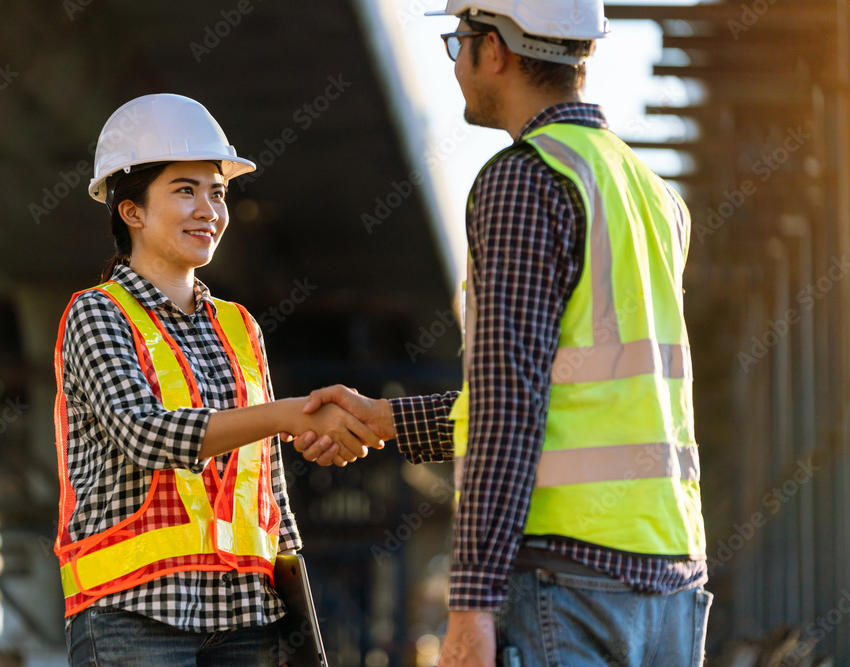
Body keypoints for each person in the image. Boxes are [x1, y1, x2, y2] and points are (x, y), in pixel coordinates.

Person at [295, 1, 712, 665]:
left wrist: (470, 606)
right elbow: (575, 395)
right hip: (670, 581)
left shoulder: (526, 180)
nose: (457, 63)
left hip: (568, 578)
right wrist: (385, 420)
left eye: (458, 40)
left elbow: (510, 403)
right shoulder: (652, 194)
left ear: (495, 50)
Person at [52, 93, 380, 666]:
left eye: (218, 192)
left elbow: (269, 487)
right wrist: (291, 413)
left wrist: (298, 613)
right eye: (185, 189)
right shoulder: (97, 314)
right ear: (131, 211)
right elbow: (144, 434)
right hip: (134, 612)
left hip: (245, 618)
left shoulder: (239, 326)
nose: (209, 209)